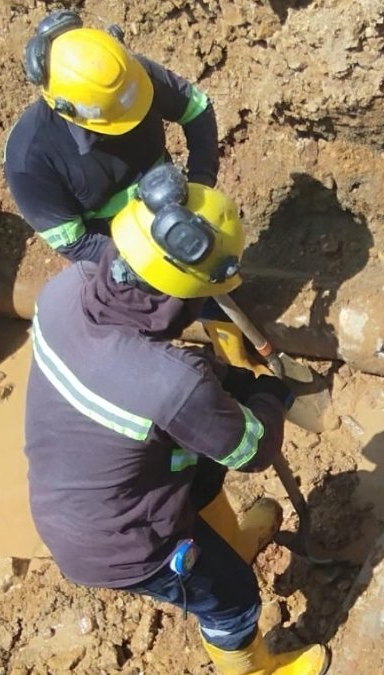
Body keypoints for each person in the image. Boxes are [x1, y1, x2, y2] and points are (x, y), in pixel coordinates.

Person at [22, 164, 329, 675]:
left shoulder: (63, 292)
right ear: (179, 300)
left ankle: (229, 544)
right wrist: (269, 396)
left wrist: (222, 382)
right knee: (230, 598)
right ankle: (255, 670)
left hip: (78, 496)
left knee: (199, 466)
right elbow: (253, 450)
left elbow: (149, 374)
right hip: (123, 541)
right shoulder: (172, 385)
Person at [4, 9, 267, 375]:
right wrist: (146, 264)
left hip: (169, 200)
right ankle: (164, 381)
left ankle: (234, 359)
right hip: (109, 243)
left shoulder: (132, 79)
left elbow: (197, 111)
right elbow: (74, 243)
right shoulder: (30, 160)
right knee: (143, 313)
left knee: (209, 280)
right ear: (67, 109)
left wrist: (201, 181)